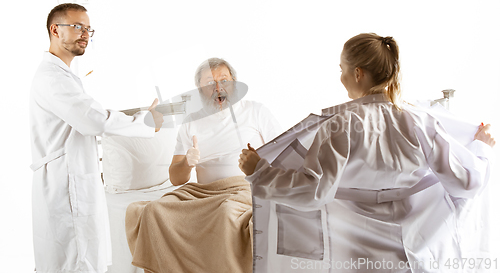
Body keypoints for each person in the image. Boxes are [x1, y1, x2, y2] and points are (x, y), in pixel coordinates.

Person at [239, 33, 495, 273]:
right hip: (415, 253)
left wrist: (259, 171)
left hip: (358, 255)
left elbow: (314, 191)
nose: (341, 77)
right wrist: (480, 147)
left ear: (358, 73)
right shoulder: (420, 121)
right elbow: (465, 183)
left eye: (342, 70)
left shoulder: (339, 125)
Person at [29, 3, 164, 273]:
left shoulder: (65, 76)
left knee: (78, 257)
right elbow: (93, 120)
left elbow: (91, 116)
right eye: (77, 26)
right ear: (55, 30)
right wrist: (147, 122)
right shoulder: (52, 78)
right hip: (66, 184)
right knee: (77, 260)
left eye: (89, 29)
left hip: (73, 179)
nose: (85, 34)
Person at [126, 58, 281, 273]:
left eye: (224, 80)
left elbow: (284, 154)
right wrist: (188, 163)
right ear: (199, 90)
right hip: (203, 193)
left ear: (234, 83)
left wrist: (260, 165)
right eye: (209, 83)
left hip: (243, 188)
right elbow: (176, 178)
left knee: (228, 213)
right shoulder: (191, 120)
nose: (218, 88)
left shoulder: (255, 111)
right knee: (153, 211)